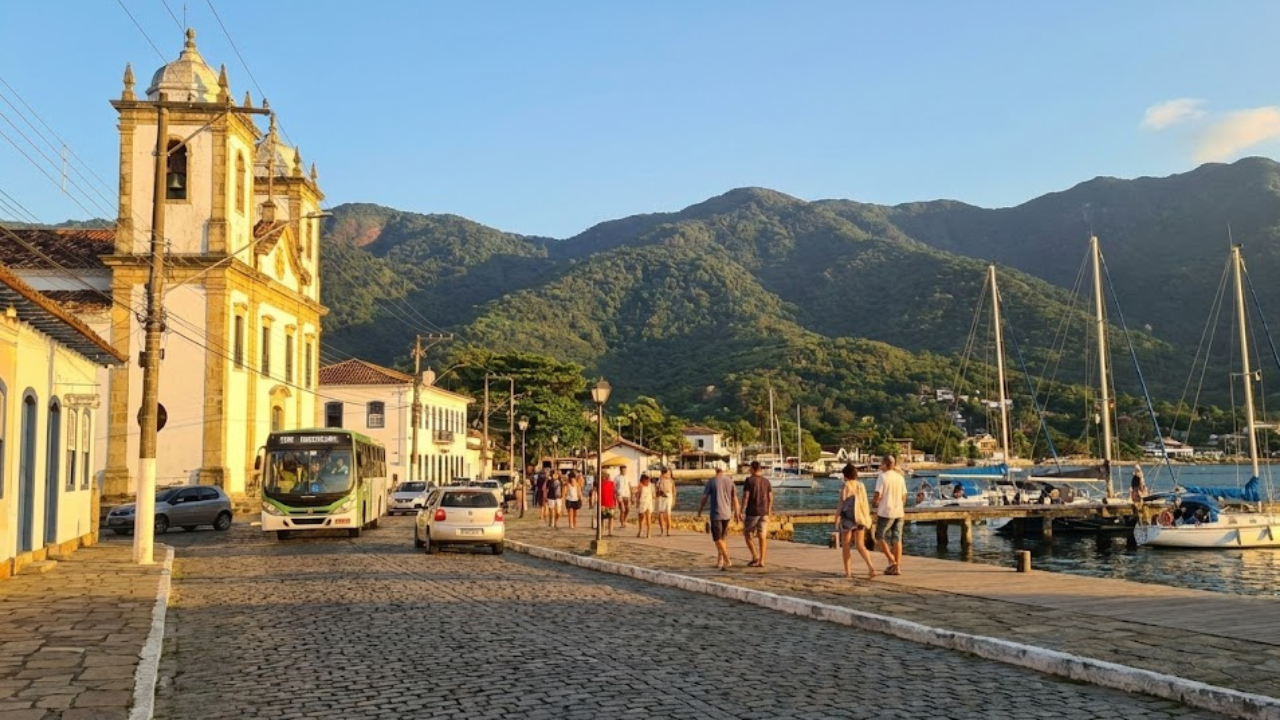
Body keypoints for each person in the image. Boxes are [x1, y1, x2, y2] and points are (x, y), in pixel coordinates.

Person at [835, 463, 876, 579]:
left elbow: (841, 503)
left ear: (845, 476)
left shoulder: (846, 486)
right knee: (860, 545)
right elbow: (864, 502)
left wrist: (836, 518)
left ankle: (848, 572)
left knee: (846, 545)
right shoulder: (861, 485)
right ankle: (871, 566)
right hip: (860, 517)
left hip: (848, 518)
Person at [697, 463, 740, 570]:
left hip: (716, 513)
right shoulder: (731, 481)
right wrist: (737, 512)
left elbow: (705, 498)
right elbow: (735, 498)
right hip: (727, 513)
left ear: (716, 469)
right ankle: (719, 561)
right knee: (722, 538)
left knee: (717, 539)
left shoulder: (711, 482)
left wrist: (700, 510)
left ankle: (727, 559)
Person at [872, 456, 907, 576]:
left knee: (879, 536)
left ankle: (892, 561)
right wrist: (900, 506)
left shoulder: (882, 476)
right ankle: (897, 567)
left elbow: (878, 494)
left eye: (881, 463)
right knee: (897, 539)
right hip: (899, 511)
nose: (880, 466)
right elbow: (904, 496)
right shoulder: (900, 477)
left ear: (886, 464)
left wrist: (874, 505)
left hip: (886, 511)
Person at [741, 460, 773, 568]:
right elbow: (770, 498)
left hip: (752, 512)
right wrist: (769, 511)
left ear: (752, 469)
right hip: (764, 512)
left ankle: (755, 556)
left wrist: (741, 510)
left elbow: (746, 496)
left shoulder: (749, 480)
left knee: (747, 534)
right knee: (762, 536)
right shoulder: (766, 481)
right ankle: (762, 560)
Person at [655, 467, 676, 536]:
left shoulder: (671, 481)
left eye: (669, 473)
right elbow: (657, 489)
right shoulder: (660, 480)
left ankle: (668, 531)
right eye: (667, 473)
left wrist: (674, 499)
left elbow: (674, 491)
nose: (668, 474)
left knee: (668, 514)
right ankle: (662, 530)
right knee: (660, 513)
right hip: (661, 496)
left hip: (668, 496)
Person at [635, 474, 655, 538]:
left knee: (648, 517)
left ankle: (648, 532)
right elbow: (638, 495)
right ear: (643, 480)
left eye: (648, 479)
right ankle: (640, 531)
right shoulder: (641, 485)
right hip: (642, 502)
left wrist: (654, 499)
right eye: (646, 480)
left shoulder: (651, 485)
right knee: (641, 518)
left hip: (648, 502)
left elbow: (653, 494)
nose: (648, 481)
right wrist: (637, 502)